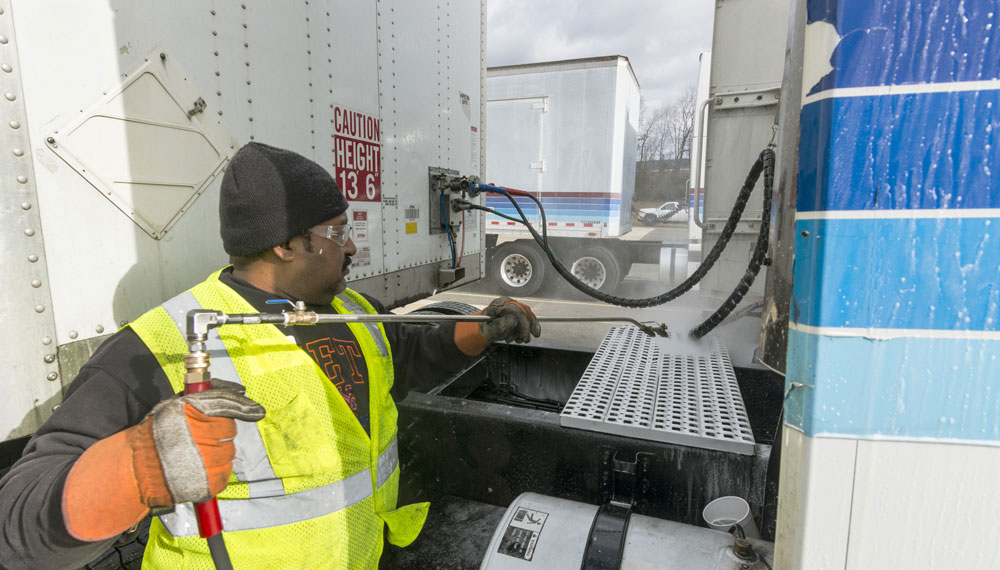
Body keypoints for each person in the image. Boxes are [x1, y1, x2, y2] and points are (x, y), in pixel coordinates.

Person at [0, 142, 541, 569]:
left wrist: (483, 329)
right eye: (337, 232)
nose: (350, 247)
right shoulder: (157, 344)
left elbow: (409, 351)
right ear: (285, 243)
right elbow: (18, 521)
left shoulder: (349, 309)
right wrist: (133, 471)